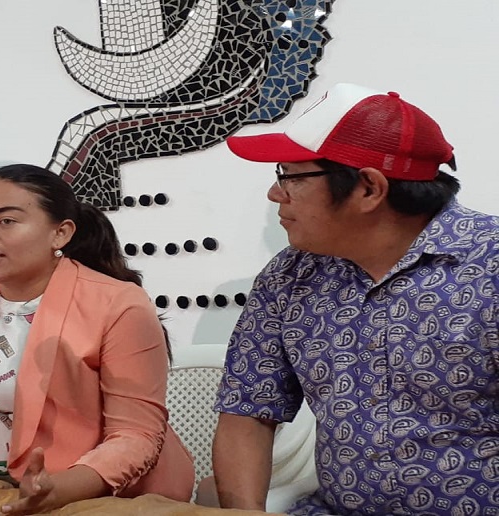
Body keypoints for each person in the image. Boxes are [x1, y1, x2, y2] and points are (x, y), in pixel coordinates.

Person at [211, 83, 499, 515]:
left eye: (290, 176)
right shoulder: (290, 276)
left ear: (368, 188)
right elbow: (247, 410)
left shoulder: (489, 265)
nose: (275, 193)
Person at [0, 164, 194, 514]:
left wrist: (57, 491)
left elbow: (136, 436)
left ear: (61, 234)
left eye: (6, 221)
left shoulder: (118, 304)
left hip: (89, 499)